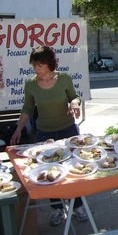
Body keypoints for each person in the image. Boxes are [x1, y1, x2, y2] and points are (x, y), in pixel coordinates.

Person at [10, 45, 88, 226]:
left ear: (49, 63)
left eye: (40, 65)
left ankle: (77, 205)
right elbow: (27, 109)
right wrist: (18, 128)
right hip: (44, 132)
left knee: (72, 169)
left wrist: (75, 104)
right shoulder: (30, 84)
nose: (36, 68)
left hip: (67, 130)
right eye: (34, 65)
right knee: (48, 172)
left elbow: (75, 97)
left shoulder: (64, 78)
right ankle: (57, 209)